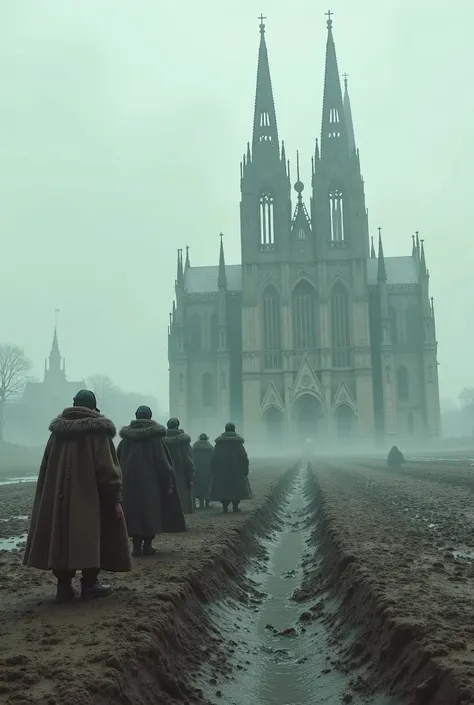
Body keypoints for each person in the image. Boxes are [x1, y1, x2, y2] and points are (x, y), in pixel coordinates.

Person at [23, 390, 132, 603]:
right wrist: (115, 498)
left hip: (58, 497)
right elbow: (107, 469)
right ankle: (90, 583)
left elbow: (45, 467)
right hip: (90, 499)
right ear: (93, 408)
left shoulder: (57, 433)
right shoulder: (98, 431)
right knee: (92, 534)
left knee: (62, 535)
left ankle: (63, 586)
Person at [117, 406, 186, 557]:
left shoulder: (126, 440)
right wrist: (168, 484)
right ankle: (147, 546)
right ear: (150, 417)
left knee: (134, 514)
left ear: (136, 416)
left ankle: (136, 546)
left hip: (129, 485)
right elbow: (163, 463)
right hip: (151, 485)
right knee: (150, 513)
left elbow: (117, 461)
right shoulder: (156, 439)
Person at [209, 422, 251, 513]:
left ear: (225, 429)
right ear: (234, 429)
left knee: (224, 489)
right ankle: (235, 506)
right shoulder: (238, 444)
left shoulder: (219, 444)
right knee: (236, 488)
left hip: (221, 471)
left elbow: (213, 458)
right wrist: (245, 470)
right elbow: (244, 458)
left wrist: (213, 470)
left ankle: (225, 507)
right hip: (237, 471)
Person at [165, 418, 195, 514]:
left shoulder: (161, 441)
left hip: (165, 473)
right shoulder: (183, 442)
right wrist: (191, 477)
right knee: (182, 499)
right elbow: (188, 461)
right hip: (181, 474)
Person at [192, 433, 213, 510]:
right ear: (207, 439)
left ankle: (200, 503)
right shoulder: (211, 448)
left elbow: (191, 458)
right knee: (207, 486)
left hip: (197, 470)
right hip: (208, 470)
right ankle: (207, 502)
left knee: (199, 486)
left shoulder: (194, 448)